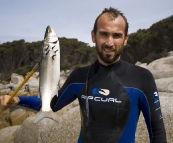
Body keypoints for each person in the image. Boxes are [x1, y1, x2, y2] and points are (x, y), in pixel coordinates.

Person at [0, 7, 167, 143]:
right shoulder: (79, 76)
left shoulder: (141, 77)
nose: (109, 42)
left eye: (116, 35)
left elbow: (157, 132)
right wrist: (18, 100)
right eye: (104, 34)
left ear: (125, 39)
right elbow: (50, 105)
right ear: (93, 36)